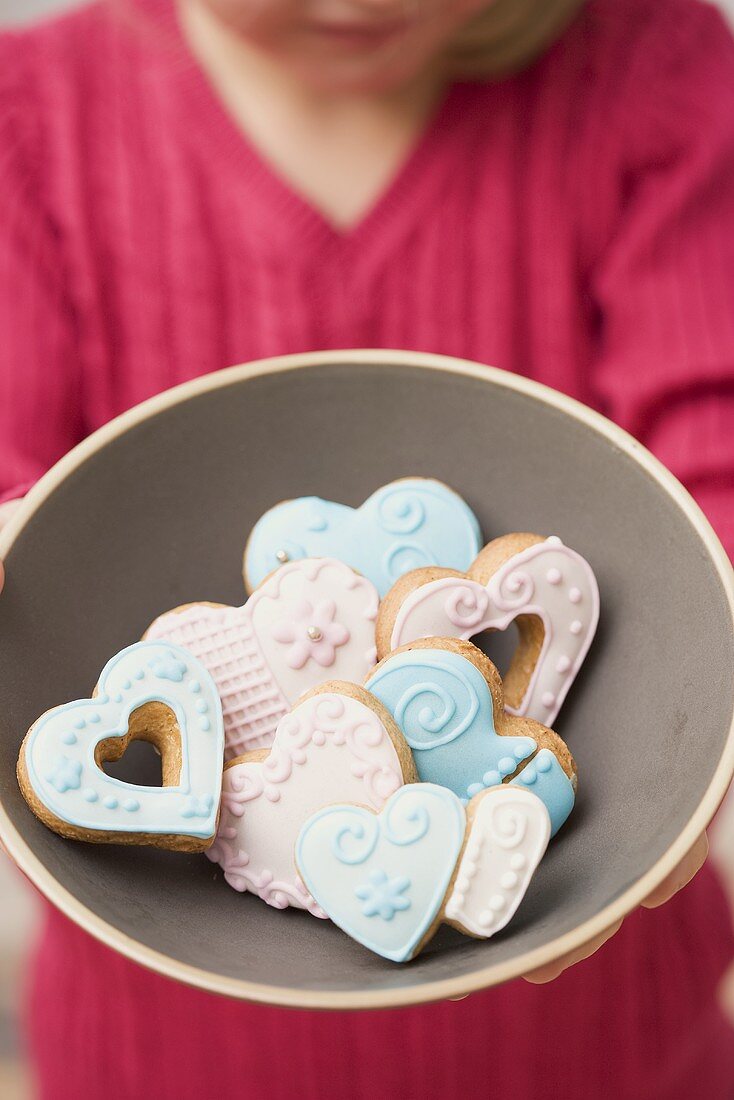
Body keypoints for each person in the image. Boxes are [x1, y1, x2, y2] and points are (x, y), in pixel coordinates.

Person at [0, 0, 732, 1096]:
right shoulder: (29, 124)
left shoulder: (656, 72)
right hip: (163, 1056)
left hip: (608, 1042)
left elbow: (708, 476)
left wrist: (688, 765)